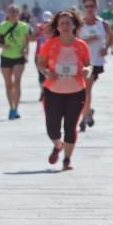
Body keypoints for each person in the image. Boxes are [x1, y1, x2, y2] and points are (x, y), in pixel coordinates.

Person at [35, 9, 91, 172]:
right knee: (52, 128)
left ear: (74, 25)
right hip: (53, 92)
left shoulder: (81, 45)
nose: (65, 26)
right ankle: (57, 145)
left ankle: (67, 159)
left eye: (68, 23)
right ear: (57, 26)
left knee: (70, 127)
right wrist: (46, 72)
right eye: (62, 23)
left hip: (76, 91)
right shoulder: (50, 44)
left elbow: (88, 63)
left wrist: (87, 69)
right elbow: (41, 63)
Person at [78, 0, 112, 130]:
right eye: (87, 6)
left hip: (96, 61)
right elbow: (74, 41)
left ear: (96, 7)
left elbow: (111, 36)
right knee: (82, 91)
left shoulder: (103, 24)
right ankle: (87, 113)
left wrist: (106, 48)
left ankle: (84, 118)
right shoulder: (79, 24)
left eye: (92, 6)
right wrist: (88, 40)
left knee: (86, 89)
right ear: (83, 8)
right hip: (81, 61)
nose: (89, 9)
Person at [0, 4, 31, 120]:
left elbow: (27, 41)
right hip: (6, 57)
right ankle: (11, 107)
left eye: (15, 11)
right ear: (7, 14)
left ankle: (16, 109)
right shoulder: (3, 26)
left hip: (19, 57)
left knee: (17, 82)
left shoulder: (23, 26)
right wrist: (3, 45)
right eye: (11, 11)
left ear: (19, 14)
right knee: (8, 84)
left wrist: (26, 50)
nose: (13, 14)